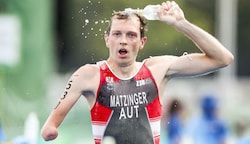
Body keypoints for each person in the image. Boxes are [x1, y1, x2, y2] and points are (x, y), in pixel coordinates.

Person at [41, 1, 234, 144]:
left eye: (131, 35)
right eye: (117, 34)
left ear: (142, 43)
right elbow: (48, 129)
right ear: (107, 40)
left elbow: (223, 59)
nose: (123, 41)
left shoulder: (157, 69)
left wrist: (181, 24)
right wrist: (51, 132)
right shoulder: (88, 75)